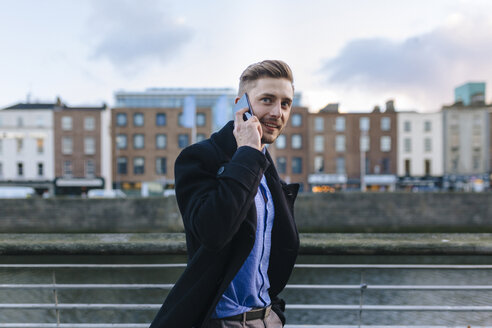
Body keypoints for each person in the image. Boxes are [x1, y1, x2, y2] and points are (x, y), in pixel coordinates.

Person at [150, 60, 300, 328]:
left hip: (266, 320)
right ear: (240, 104)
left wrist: (274, 311)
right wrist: (248, 154)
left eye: (286, 103)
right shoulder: (199, 158)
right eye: (267, 100)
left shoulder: (266, 168)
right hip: (220, 321)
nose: (278, 112)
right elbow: (213, 231)